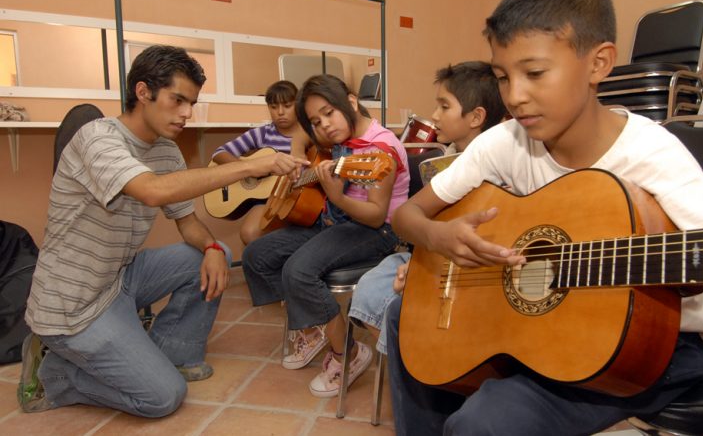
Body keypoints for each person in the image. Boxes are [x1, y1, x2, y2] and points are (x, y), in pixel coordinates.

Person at [384, 0, 703, 435]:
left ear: (599, 63)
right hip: (541, 332)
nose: (515, 96)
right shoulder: (505, 142)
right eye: (504, 77)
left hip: (650, 349)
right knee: (406, 317)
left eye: (535, 73)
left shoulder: (653, 157)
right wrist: (437, 238)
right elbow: (407, 214)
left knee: (489, 419)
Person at [18, 45, 307, 418]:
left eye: (192, 103)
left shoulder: (166, 152)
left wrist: (213, 249)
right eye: (178, 100)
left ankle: (173, 354)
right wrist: (254, 166)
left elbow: (187, 223)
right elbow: (152, 190)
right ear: (143, 92)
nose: (187, 113)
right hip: (73, 305)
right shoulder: (98, 139)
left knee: (212, 249)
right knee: (162, 398)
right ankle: (54, 374)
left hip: (120, 278)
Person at [241, 74, 410, 397]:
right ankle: (316, 323)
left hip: (378, 230)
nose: (325, 126)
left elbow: (375, 215)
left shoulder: (380, 148)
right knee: (256, 255)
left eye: (329, 113)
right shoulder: (339, 138)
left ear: (350, 101)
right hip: (338, 222)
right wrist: (297, 165)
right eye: (317, 122)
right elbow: (304, 135)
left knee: (299, 270)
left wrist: (337, 198)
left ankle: (346, 352)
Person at [349, 60, 507, 355]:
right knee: (371, 286)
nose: (435, 116)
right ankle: (410, 358)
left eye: (444, 107)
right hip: (431, 249)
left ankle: (421, 356)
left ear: (476, 117)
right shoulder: (446, 157)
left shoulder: (498, 161)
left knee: (402, 306)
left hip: (470, 263)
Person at [211, 80, 302, 244]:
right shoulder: (263, 134)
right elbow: (219, 153)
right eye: (274, 107)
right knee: (249, 233)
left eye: (287, 105)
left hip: (296, 196)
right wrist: (248, 169)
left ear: (298, 105)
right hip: (266, 198)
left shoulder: (309, 134)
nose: (280, 112)